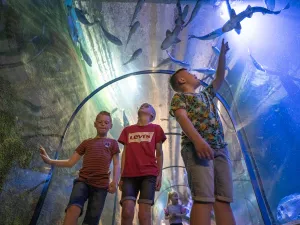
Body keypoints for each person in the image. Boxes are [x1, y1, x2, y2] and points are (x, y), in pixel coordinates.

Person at [169, 39, 236, 225]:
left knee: (223, 199)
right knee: (203, 199)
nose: (194, 74)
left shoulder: (206, 94)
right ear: (182, 80)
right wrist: (198, 141)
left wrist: (222, 55)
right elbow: (182, 118)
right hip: (196, 148)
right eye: (189, 73)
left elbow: (219, 78)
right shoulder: (180, 97)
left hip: (219, 148)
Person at [39, 111, 120, 225]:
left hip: (101, 186)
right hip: (83, 181)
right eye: (100, 122)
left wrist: (115, 182)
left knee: (92, 220)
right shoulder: (86, 143)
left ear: (111, 125)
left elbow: (117, 164)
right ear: (95, 124)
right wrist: (49, 160)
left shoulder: (113, 143)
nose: (103, 124)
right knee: (72, 209)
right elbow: (70, 162)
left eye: (106, 122)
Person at [118, 103, 167, 225]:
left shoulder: (156, 129)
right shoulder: (127, 130)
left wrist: (159, 175)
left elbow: (159, 154)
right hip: (129, 175)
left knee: (144, 215)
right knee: (127, 212)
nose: (144, 105)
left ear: (152, 115)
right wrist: (121, 176)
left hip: (149, 174)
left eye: (148, 106)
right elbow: (124, 153)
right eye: (142, 105)